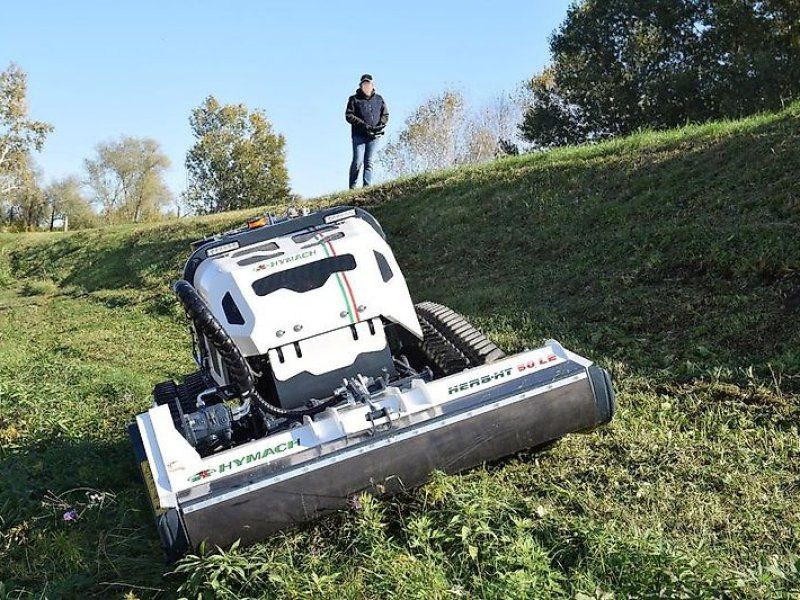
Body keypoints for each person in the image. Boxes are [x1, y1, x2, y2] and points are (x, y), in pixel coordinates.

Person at [345, 74, 388, 189]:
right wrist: (364, 125)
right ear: (361, 85)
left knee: (369, 162)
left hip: (374, 136)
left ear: (372, 85)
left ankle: (366, 186)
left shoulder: (379, 99)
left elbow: (385, 114)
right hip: (359, 136)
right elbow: (349, 115)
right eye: (364, 84)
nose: (366, 86)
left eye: (368, 84)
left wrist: (381, 125)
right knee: (357, 161)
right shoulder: (354, 99)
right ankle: (352, 187)